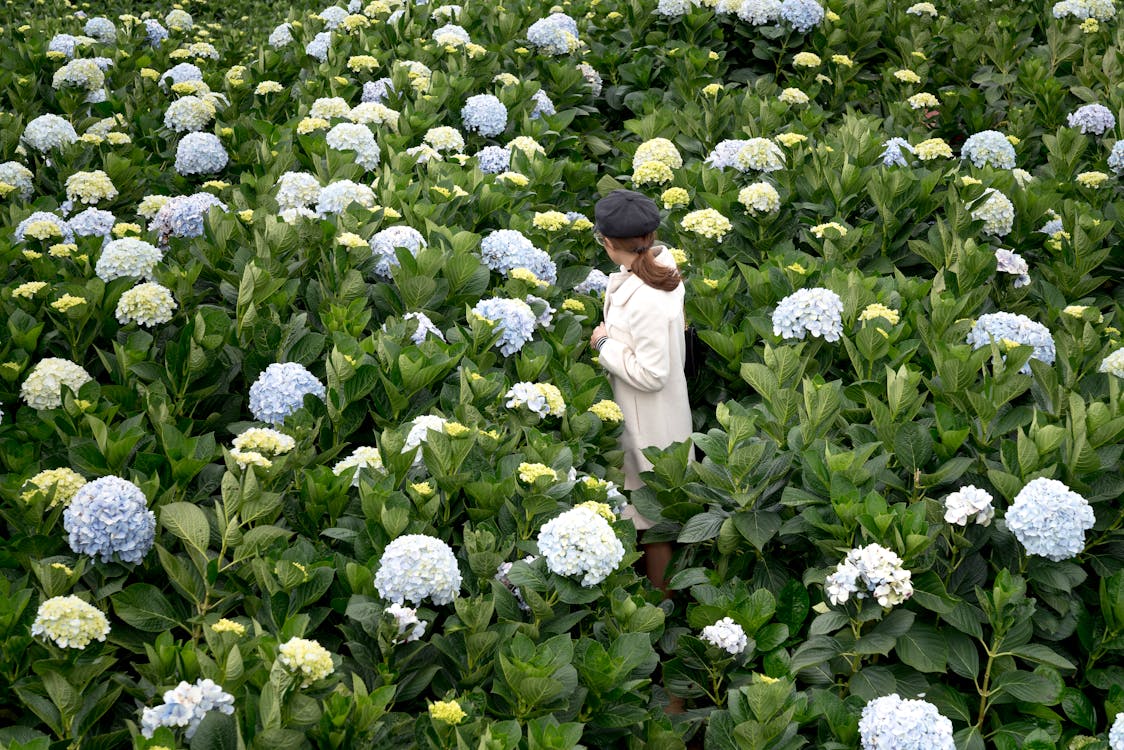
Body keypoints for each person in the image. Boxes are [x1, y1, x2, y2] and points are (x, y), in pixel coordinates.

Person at [589, 189, 692, 592]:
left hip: (648, 422)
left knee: (653, 525)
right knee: (649, 517)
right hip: (651, 415)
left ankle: (661, 612)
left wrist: (603, 345)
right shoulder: (659, 269)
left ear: (610, 244)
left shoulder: (647, 295)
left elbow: (652, 373)